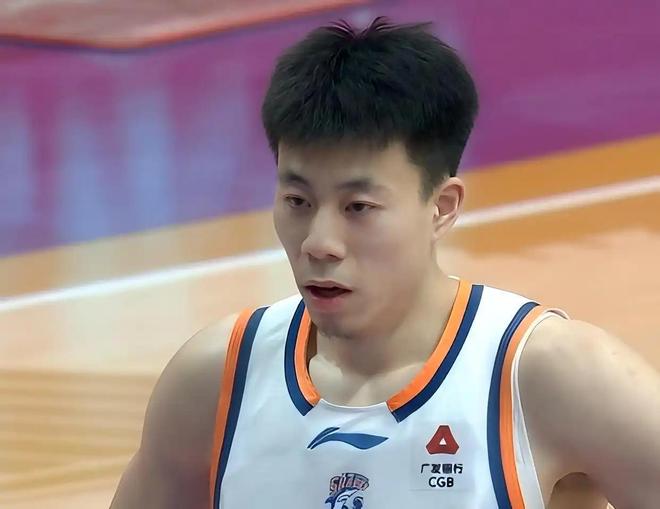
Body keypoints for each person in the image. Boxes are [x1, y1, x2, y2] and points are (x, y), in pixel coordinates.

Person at [110, 18, 660, 509]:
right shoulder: (214, 382)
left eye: (358, 208)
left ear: (441, 207)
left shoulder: (551, 377)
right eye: (298, 201)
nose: (320, 242)